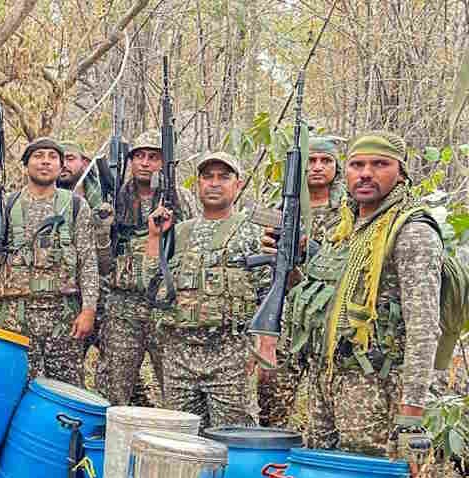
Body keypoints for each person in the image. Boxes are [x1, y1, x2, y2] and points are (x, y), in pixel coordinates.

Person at [282, 132, 441, 457]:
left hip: (375, 389)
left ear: (401, 173)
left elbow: (424, 328)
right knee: (320, 476)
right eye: (357, 165)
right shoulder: (343, 227)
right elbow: (321, 297)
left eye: (379, 164)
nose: (366, 173)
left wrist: (411, 416)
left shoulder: (412, 232)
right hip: (326, 380)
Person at [150, 152, 266, 428]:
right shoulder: (179, 231)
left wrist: (265, 346)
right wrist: (155, 236)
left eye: (223, 177)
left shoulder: (253, 232)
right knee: (182, 438)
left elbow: (268, 291)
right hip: (179, 356)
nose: (214, 183)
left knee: (233, 438)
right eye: (207, 177)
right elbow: (152, 285)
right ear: (198, 184)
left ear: (238, 185)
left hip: (230, 355)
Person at [96, 130, 200, 406]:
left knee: (177, 390)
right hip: (123, 306)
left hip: (166, 306)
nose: (145, 163)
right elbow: (101, 260)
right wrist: (103, 228)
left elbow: (193, 245)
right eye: (139, 156)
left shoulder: (180, 198)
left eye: (153, 157)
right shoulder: (115, 197)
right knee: (112, 389)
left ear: (164, 163)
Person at [0, 137, 99, 384]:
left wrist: (88, 310)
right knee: (14, 388)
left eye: (52, 156)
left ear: (60, 166)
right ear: (26, 165)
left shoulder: (76, 206)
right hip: (14, 319)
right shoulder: (7, 204)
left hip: (63, 319)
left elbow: (88, 261)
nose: (45, 161)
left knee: (66, 391)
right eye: (38, 156)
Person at [258, 135, 347, 428]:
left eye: (326, 161)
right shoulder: (281, 208)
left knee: (331, 409)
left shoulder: (350, 210)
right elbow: (266, 270)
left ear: (337, 167)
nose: (317, 167)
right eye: (311, 161)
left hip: (330, 318)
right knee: (272, 401)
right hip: (288, 317)